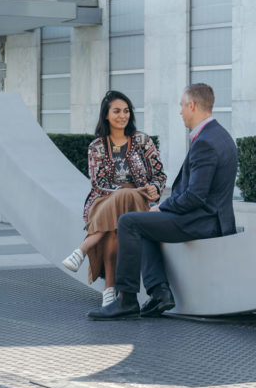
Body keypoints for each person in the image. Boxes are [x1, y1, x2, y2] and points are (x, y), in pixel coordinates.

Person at [88, 83, 237, 320]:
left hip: (203, 221)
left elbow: (195, 196)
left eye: (182, 106)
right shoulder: (220, 135)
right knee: (143, 222)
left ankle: (126, 299)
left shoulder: (206, 142)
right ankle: (160, 292)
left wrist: (163, 206)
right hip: (211, 217)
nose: (180, 111)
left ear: (192, 105)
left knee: (128, 222)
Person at [62, 90, 166, 306]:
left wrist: (155, 188)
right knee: (120, 208)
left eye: (126, 111)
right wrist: (125, 192)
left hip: (140, 199)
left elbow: (159, 174)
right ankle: (110, 288)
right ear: (106, 115)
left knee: (116, 226)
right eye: (117, 111)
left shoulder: (143, 141)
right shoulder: (97, 146)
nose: (122, 116)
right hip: (104, 199)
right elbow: (98, 182)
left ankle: (86, 254)